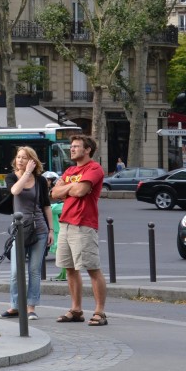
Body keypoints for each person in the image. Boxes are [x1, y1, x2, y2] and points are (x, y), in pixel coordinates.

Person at [51, 134, 108, 327]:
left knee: (92, 268)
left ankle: (100, 311)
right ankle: (76, 310)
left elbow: (80, 191)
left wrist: (66, 187)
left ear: (87, 149)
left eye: (76, 146)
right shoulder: (70, 170)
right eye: (71, 146)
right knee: (70, 269)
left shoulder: (94, 168)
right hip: (65, 223)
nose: (72, 149)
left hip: (84, 224)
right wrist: (70, 187)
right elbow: (53, 193)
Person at [0, 147, 54, 320]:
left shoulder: (41, 181)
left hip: (40, 229)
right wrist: (26, 173)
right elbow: (15, 191)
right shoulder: (12, 177)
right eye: (18, 157)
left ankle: (30, 307)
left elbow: (46, 205)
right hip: (19, 229)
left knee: (34, 270)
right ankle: (15, 306)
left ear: (32, 160)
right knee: (15, 271)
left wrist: (51, 230)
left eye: (24, 157)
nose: (20, 160)